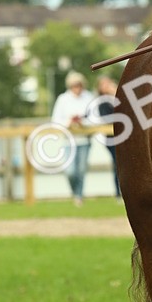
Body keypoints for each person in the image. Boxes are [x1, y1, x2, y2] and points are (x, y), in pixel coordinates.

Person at [51, 71, 95, 205]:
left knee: (81, 170)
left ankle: (79, 197)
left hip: (84, 139)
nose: (77, 88)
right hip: (68, 140)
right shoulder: (63, 99)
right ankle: (75, 192)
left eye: (79, 85)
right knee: (70, 171)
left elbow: (94, 118)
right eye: (74, 85)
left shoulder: (89, 97)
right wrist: (68, 122)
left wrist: (83, 123)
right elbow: (55, 120)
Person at [95, 75, 121, 197]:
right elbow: (109, 119)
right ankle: (118, 193)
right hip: (112, 139)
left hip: (123, 137)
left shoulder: (117, 98)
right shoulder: (102, 102)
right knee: (118, 165)